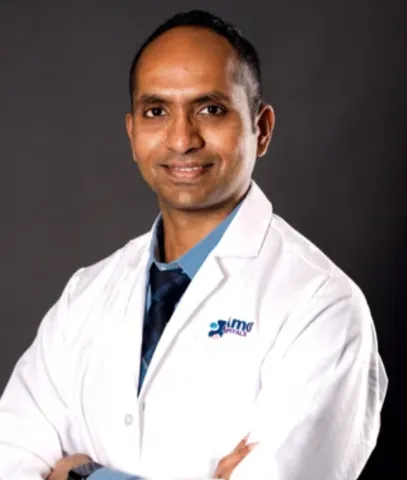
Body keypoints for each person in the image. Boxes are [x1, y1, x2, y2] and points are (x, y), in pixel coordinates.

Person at [0, 9, 388, 480]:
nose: (182, 139)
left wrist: (82, 475)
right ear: (132, 133)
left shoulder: (322, 304)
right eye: (156, 111)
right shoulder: (85, 295)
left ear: (261, 129)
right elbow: (8, 455)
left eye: (211, 109)